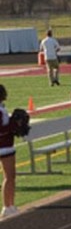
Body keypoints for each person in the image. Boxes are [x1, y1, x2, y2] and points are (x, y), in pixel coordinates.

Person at [0, 85, 20, 217]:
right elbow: (1, 130)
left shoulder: (2, 108)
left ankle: (11, 204)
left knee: (11, 176)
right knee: (9, 176)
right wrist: (13, 124)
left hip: (6, 145)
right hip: (3, 146)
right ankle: (7, 206)